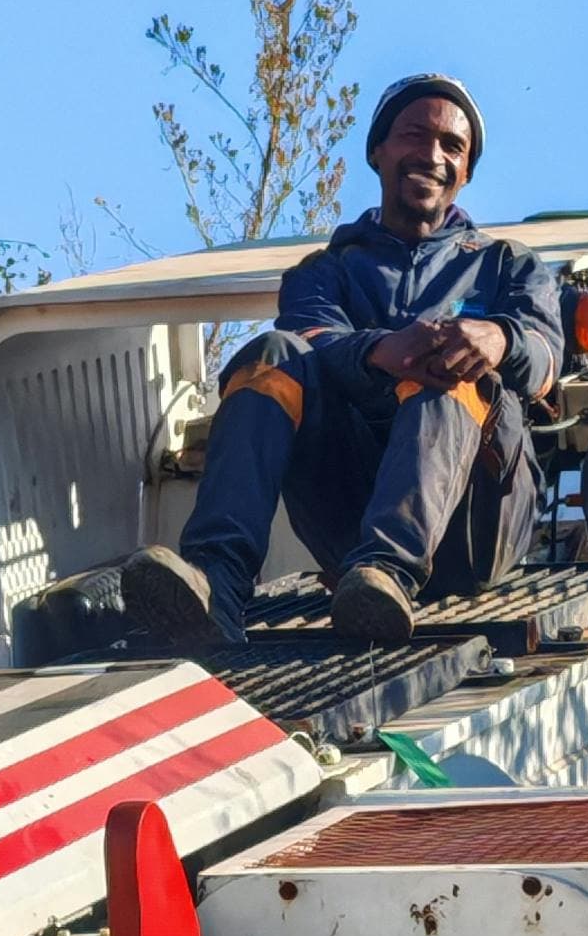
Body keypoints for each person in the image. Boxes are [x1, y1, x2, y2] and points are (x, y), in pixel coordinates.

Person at [121, 76, 563, 653]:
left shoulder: (509, 265)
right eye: (414, 135)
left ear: (466, 173)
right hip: (347, 537)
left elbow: (548, 358)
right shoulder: (322, 272)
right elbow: (310, 332)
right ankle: (219, 586)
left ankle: (391, 573)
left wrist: (501, 339)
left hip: (473, 532)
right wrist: (380, 351)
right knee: (270, 357)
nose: (432, 155)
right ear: (377, 150)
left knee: (451, 370)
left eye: (452, 147)